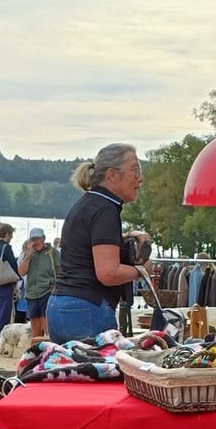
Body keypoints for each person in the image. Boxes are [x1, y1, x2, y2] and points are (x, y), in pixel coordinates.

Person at [52, 143, 148, 343]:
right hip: (87, 307)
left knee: (69, 373)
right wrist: (142, 270)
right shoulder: (105, 210)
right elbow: (108, 273)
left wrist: (125, 237)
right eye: (135, 169)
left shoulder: (87, 204)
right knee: (104, 373)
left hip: (61, 305)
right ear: (112, 175)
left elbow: (87, 244)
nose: (140, 177)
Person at [17, 226, 57, 341]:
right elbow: (22, 272)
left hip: (47, 291)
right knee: (34, 323)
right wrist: (29, 254)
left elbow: (61, 270)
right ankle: (36, 350)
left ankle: (48, 346)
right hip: (32, 293)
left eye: (38, 239)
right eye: (33, 239)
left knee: (45, 322)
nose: (36, 242)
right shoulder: (28, 254)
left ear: (43, 239)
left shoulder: (52, 253)